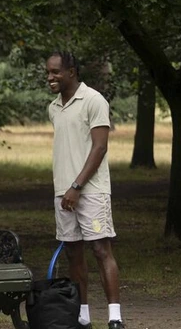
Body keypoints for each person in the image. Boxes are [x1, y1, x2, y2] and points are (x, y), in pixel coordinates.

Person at [46, 51, 123, 329]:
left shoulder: (93, 100)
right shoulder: (53, 107)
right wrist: (66, 189)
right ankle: (83, 317)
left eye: (55, 72)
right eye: (48, 73)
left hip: (90, 191)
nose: (50, 77)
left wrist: (77, 186)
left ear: (72, 72)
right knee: (73, 254)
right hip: (62, 193)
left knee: (101, 250)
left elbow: (100, 147)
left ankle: (115, 318)